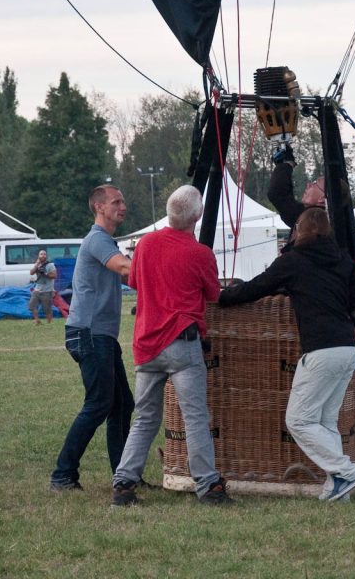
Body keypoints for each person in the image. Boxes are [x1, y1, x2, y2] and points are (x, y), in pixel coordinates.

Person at [219, 207, 355, 502]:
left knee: (299, 420)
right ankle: (337, 487)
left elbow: (257, 287)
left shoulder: (294, 261)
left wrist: (222, 296)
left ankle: (346, 471)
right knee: (325, 421)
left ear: (299, 231)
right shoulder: (345, 260)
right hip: (346, 350)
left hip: (321, 349)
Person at [111, 185, 232, 507]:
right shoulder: (200, 254)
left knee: (145, 420)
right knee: (195, 418)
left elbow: (135, 281)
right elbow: (213, 295)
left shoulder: (146, 244)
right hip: (182, 342)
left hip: (146, 343)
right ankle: (208, 486)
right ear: (198, 216)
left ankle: (124, 484)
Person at [50, 185, 134, 492]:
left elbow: (129, 276)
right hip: (88, 333)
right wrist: (160, 263)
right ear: (99, 207)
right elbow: (123, 267)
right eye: (116, 202)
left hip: (102, 335)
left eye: (123, 201)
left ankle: (124, 475)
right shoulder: (98, 239)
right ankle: (62, 475)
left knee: (122, 404)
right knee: (99, 404)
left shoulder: (106, 241)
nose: (122, 206)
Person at [29, 249, 56, 325]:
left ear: (46, 256)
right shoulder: (37, 264)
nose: (43, 255)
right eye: (41, 254)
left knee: (47, 309)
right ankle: (37, 320)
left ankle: (49, 323)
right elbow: (31, 272)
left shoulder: (50, 265)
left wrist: (45, 274)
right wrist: (36, 264)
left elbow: (54, 275)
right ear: (38, 256)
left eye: (44, 254)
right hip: (37, 289)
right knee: (31, 306)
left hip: (47, 290)